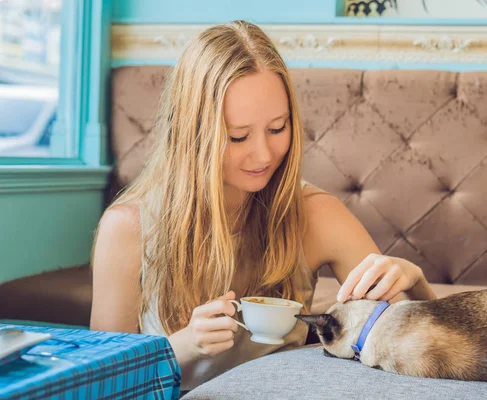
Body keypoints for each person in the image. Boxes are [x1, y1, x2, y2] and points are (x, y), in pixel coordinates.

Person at [89, 20, 437, 390]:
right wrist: (181, 347)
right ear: (193, 134)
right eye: (238, 136)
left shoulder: (316, 214)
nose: (263, 154)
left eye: (277, 128)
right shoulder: (128, 227)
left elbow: (423, 341)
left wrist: (414, 283)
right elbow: (104, 383)